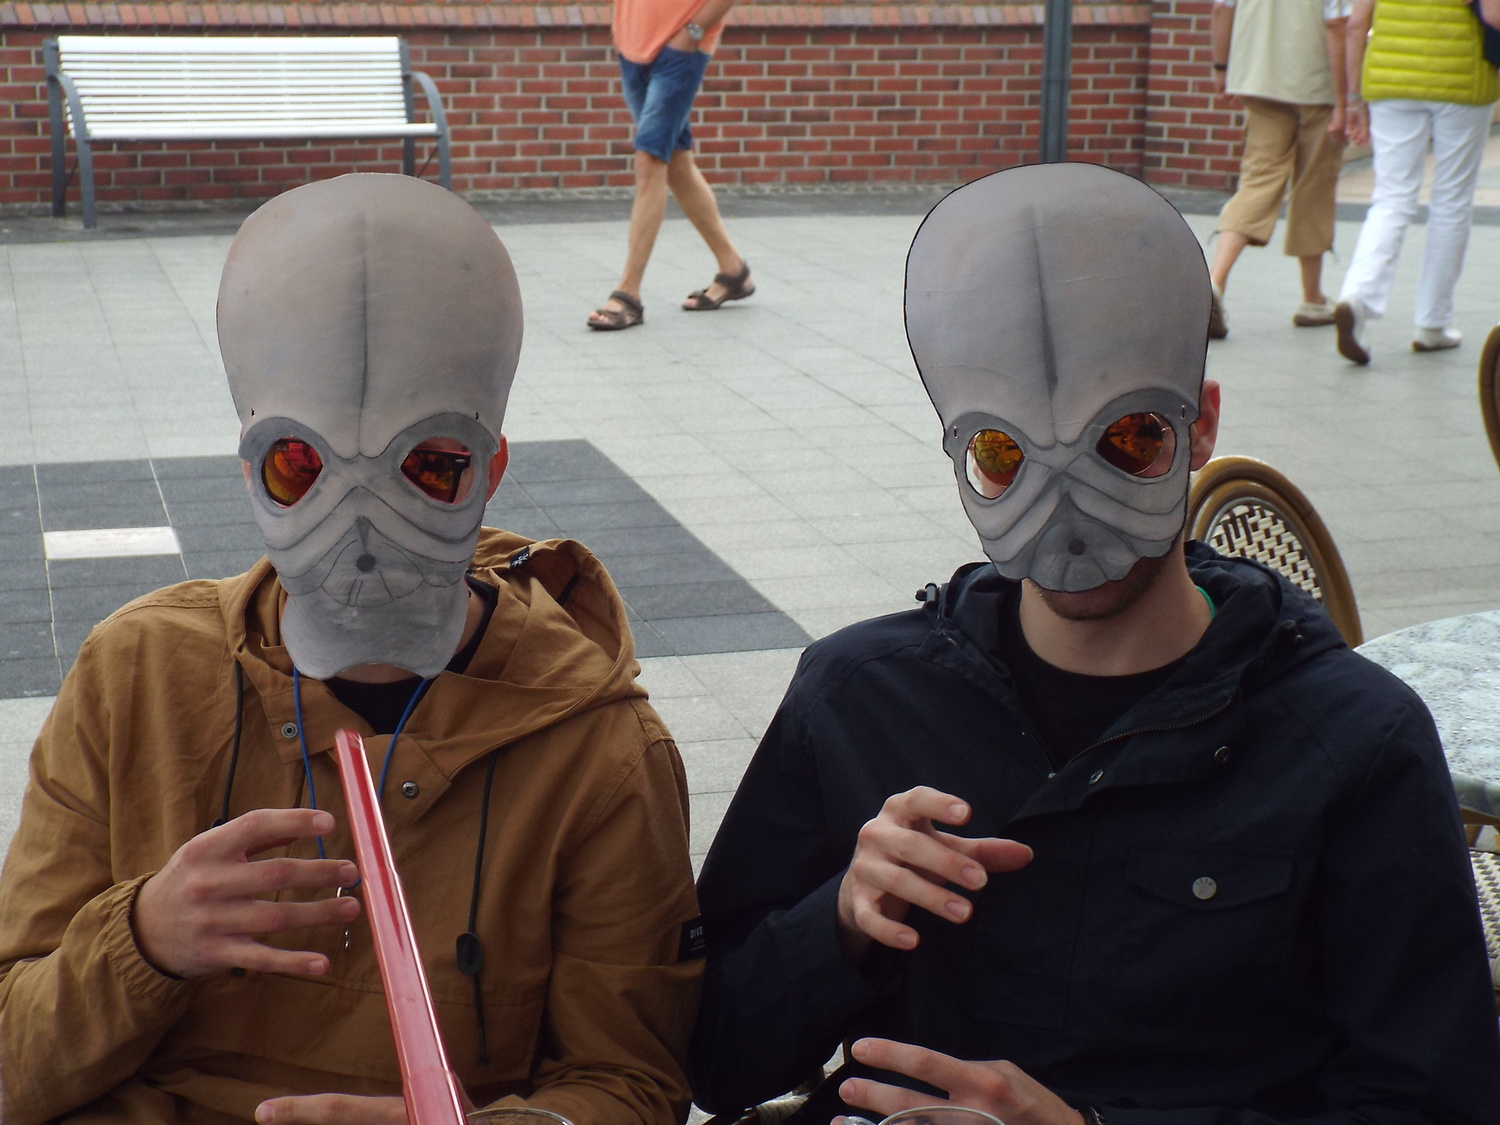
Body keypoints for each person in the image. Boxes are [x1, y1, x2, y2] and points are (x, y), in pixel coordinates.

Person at [690, 164, 1500, 1125]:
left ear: (1201, 424)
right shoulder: (858, 697)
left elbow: (1431, 1099)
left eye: (1128, 440)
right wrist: (838, 918)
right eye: (1005, 455)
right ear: (959, 451)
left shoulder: (1353, 741)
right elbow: (711, 1059)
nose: (1068, 509)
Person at [0, 174, 702, 1125]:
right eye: (302, 466)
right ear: (248, 468)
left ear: (491, 469)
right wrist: (143, 938)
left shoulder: (599, 753)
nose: (361, 524)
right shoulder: (136, 676)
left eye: (429, 467)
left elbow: (633, 1081)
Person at [1333, 0, 1500, 364]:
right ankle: (1433, 323)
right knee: (1452, 201)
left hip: (1390, 78)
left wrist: (1353, 99)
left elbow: (1356, 24)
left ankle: (1357, 295)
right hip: (1461, 76)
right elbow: (1494, 14)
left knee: (1391, 198)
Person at [585, 0, 754, 331]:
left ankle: (628, 295)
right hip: (632, 45)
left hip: (680, 50)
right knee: (676, 163)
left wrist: (692, 33)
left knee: (650, 159)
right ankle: (733, 270)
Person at [1206, 0, 1350, 339]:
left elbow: (1221, 9)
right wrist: (1347, 100)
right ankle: (1312, 299)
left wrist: (1222, 67)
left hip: (1258, 76)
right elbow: (1337, 24)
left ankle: (1215, 282)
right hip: (1317, 82)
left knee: (1257, 181)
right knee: (1314, 187)